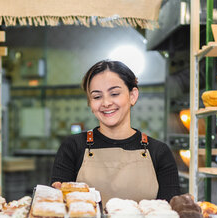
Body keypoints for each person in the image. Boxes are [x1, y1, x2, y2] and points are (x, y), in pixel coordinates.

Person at [51, 60, 181, 204]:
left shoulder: (159, 152)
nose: (106, 103)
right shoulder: (73, 146)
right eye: (97, 96)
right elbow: (59, 215)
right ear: (90, 103)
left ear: (133, 96)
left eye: (114, 93)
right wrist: (56, 198)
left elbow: (168, 215)